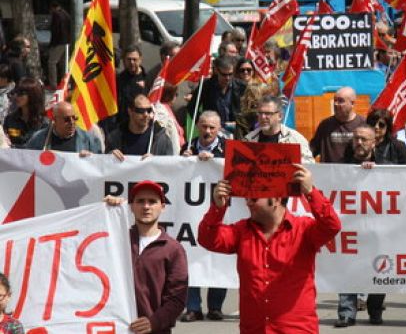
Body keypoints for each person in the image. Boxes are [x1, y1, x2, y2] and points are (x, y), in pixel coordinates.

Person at [198, 165, 341, 333]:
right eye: (247, 198)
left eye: (254, 198)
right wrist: (217, 207)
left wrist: (310, 191)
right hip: (254, 329)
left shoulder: (303, 229)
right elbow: (207, 239)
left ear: (278, 198)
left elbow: (331, 226)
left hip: (295, 329)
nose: (248, 202)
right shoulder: (241, 231)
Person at [104, 181, 188, 334]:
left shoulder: (173, 249)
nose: (146, 206)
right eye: (140, 201)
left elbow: (177, 299)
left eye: (152, 201)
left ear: (162, 207)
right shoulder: (117, 241)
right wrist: (105, 210)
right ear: (131, 206)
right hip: (115, 329)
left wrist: (154, 322)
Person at [334, 125, 395, 327]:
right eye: (356, 139)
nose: (359, 143)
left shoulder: (385, 165)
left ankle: (375, 309)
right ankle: (346, 313)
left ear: (374, 142)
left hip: (379, 228)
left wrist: (374, 171)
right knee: (347, 268)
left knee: (380, 268)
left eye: (364, 139)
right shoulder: (340, 166)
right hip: (351, 227)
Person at [179, 111, 228, 322]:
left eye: (212, 128)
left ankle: (215, 307)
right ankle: (193, 307)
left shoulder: (227, 147)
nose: (207, 131)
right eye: (204, 126)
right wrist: (183, 161)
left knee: (219, 257)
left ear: (219, 130)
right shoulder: (188, 146)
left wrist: (216, 160)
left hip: (220, 211)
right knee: (191, 256)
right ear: (197, 125)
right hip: (191, 213)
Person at [244, 95, 314, 163]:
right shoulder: (249, 140)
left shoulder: (295, 139)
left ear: (280, 116)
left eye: (268, 113)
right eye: (260, 113)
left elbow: (310, 166)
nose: (263, 117)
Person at [106, 94, 175, 160]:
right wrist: (109, 157)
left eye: (149, 110)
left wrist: (155, 161)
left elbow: (170, 166)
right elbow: (103, 168)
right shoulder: (115, 137)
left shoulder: (161, 138)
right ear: (130, 111)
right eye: (140, 111)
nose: (146, 114)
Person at [187, 56, 246, 133]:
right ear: (216, 71)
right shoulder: (206, 86)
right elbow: (192, 107)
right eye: (224, 74)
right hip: (213, 131)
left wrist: (239, 123)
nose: (227, 78)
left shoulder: (242, 86)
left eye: (230, 74)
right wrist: (205, 124)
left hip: (236, 131)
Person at [310, 86, 366, 163]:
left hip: (355, 173)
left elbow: (371, 152)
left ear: (352, 103)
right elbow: (312, 151)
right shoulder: (325, 125)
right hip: (330, 173)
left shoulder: (364, 124)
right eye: (335, 100)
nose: (336, 104)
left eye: (340, 101)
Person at [25, 101, 101, 155]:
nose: (72, 122)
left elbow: (101, 164)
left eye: (74, 118)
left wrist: (91, 158)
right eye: (67, 119)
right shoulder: (38, 139)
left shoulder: (89, 139)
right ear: (54, 120)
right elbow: (27, 159)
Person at [3, 77, 47, 147]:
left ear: (32, 95)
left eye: (21, 93)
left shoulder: (44, 123)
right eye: (16, 92)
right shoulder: (9, 120)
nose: (16, 96)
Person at [116, 45, 149, 125]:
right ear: (124, 60)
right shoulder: (120, 79)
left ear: (140, 59)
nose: (132, 62)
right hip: (123, 125)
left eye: (134, 59)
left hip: (141, 123)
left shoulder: (148, 79)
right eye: (129, 59)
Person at [46, 0, 71, 89]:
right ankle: (66, 83)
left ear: (53, 8)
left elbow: (55, 31)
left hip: (59, 42)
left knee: (51, 62)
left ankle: (53, 84)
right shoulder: (66, 14)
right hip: (67, 42)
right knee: (64, 64)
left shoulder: (56, 15)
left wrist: (52, 44)